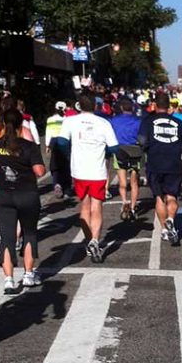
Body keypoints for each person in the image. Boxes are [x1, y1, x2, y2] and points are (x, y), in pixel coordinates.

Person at [0, 109, 45, 293]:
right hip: (27, 193)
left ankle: (9, 280)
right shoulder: (29, 146)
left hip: (3, 195)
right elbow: (40, 171)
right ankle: (28, 274)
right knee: (29, 233)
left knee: (7, 235)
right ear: (21, 125)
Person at [56, 93, 119, 263]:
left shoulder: (70, 121)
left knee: (84, 205)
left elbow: (61, 142)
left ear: (79, 106)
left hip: (79, 170)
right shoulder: (104, 123)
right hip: (97, 170)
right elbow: (114, 147)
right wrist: (104, 151)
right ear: (96, 106)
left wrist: (70, 154)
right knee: (97, 205)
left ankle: (88, 238)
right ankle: (95, 240)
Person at [138, 92, 182, 246]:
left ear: (155, 105)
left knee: (159, 197)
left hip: (155, 162)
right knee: (172, 196)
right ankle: (171, 219)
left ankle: (165, 230)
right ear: (169, 107)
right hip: (173, 163)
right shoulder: (178, 123)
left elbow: (141, 141)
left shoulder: (148, 121)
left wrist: (146, 148)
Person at [110, 97, 143, 221]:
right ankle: (133, 207)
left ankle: (124, 202)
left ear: (122, 108)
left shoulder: (114, 121)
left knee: (122, 182)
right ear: (132, 108)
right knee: (134, 182)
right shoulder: (138, 121)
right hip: (135, 151)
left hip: (120, 151)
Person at [45, 101, 72, 198]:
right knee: (66, 166)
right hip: (65, 142)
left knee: (55, 165)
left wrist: (47, 145)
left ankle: (56, 183)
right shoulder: (67, 119)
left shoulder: (50, 119)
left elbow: (48, 132)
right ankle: (67, 189)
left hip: (54, 142)